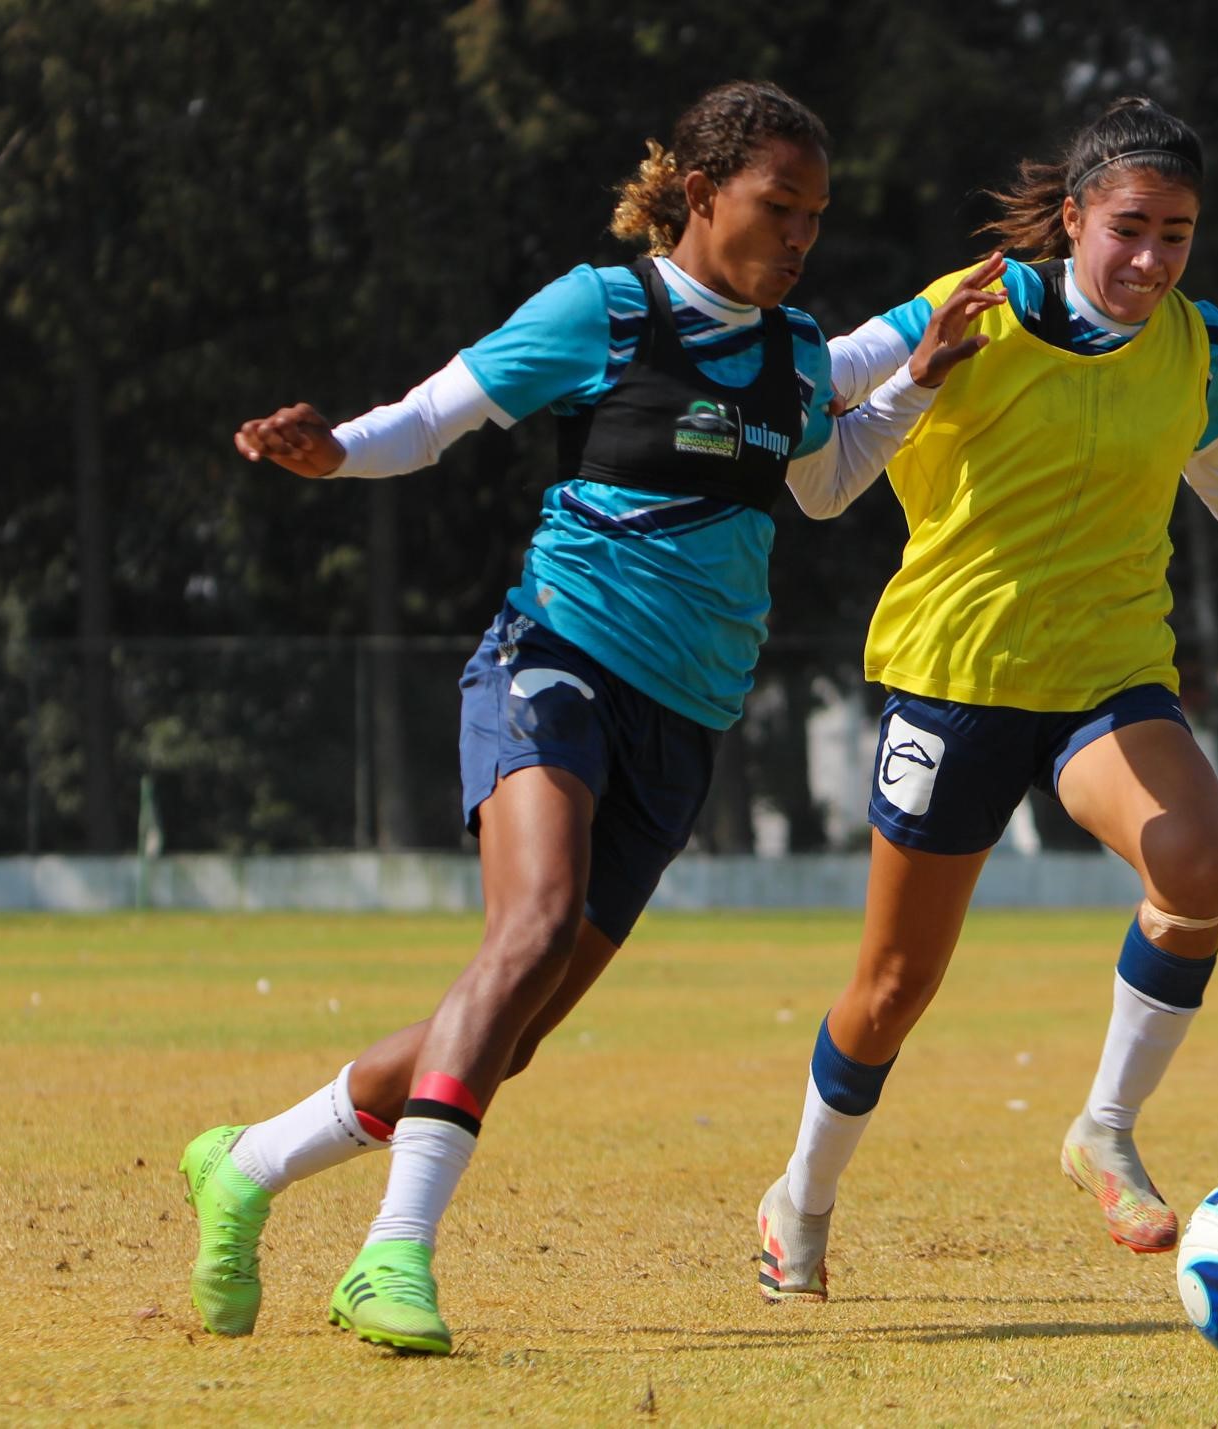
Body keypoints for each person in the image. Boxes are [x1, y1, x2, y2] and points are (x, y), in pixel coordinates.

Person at [182, 79, 997, 1354]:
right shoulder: (603, 310)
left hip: (686, 723)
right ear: (695, 194)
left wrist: (918, 382)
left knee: (509, 1032)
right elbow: (427, 420)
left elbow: (828, 484)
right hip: (552, 661)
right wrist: (330, 450)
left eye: (816, 217)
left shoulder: (793, 357)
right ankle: (392, 1255)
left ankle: (249, 1160)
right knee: (534, 926)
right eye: (777, 207)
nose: (799, 236)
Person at [752, 96, 1218, 1302]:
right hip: (954, 680)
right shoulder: (972, 303)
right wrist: (896, 382)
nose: (1149, 259)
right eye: (1129, 227)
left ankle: (1104, 1126)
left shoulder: (1197, 342)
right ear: (1072, 217)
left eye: (1176, 235)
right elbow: (813, 394)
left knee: (1193, 866)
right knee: (891, 988)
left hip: (1106, 674)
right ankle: (801, 1195)